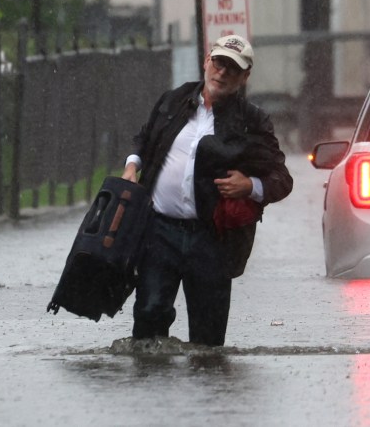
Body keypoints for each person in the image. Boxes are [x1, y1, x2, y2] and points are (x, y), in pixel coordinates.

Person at [122, 34, 293, 346]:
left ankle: (209, 391)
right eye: (219, 62)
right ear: (206, 61)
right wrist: (132, 164)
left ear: (245, 76)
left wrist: (250, 186)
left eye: (233, 67)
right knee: (148, 319)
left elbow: (281, 178)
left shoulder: (251, 120)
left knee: (208, 340)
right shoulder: (173, 101)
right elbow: (144, 139)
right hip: (159, 231)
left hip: (213, 240)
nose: (222, 72)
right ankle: (149, 390)